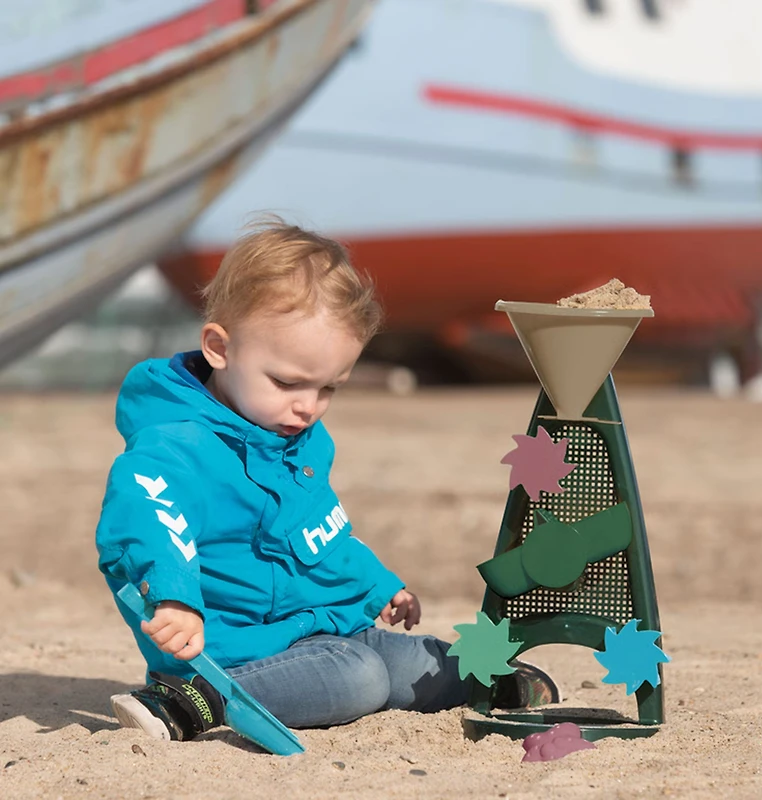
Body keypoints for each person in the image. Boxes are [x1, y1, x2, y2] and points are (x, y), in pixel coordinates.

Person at [95, 217, 559, 742]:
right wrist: (174, 597)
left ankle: (481, 683)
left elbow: (322, 534)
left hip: (318, 626)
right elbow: (146, 520)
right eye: (287, 382)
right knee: (359, 679)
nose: (307, 407)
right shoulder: (176, 446)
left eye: (328, 389)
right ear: (219, 350)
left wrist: (378, 584)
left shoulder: (301, 442)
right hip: (227, 649)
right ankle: (190, 703)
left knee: (415, 662)